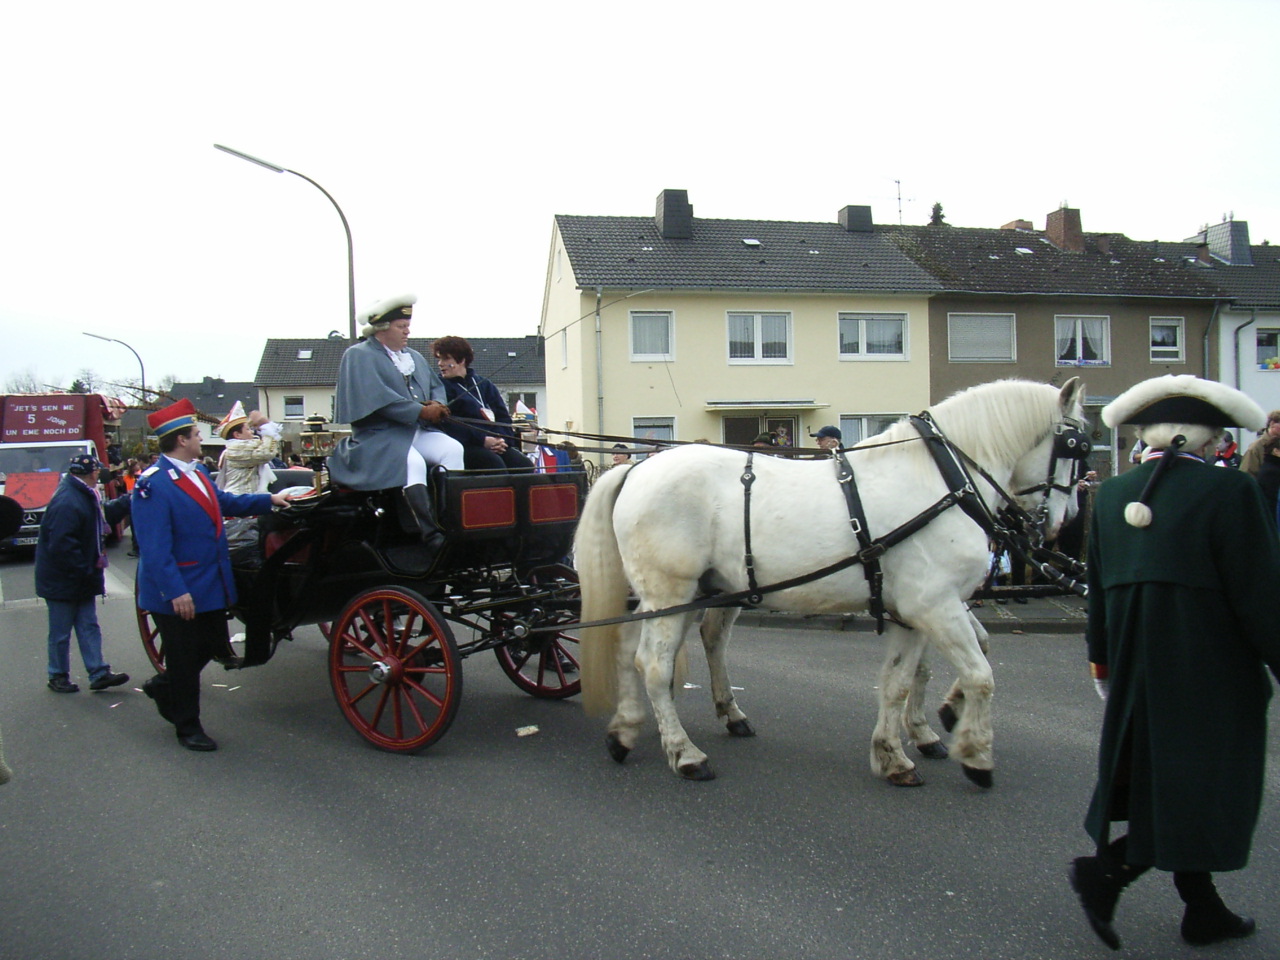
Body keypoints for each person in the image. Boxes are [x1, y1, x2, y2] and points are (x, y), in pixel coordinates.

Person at [1069, 374, 1280, 950]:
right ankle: (1112, 871)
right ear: (1206, 438)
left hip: (1136, 666)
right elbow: (1261, 593)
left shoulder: (1113, 493)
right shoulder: (1231, 491)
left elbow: (1098, 592)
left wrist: (1102, 664)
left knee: (1165, 782)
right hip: (1208, 666)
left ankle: (1200, 907)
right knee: (1206, 785)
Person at [133, 399, 291, 752]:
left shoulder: (198, 473)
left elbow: (224, 501)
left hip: (208, 582)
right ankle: (187, 727)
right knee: (184, 661)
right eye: (195, 434)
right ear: (180, 440)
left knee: (209, 646)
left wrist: (269, 500)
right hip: (179, 588)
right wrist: (175, 591)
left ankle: (163, 686)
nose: (200, 439)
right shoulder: (152, 484)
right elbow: (154, 547)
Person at [328, 293, 464, 549]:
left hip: (416, 431)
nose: (407, 331)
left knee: (453, 449)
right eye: (401, 326)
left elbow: (436, 387)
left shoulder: (414, 357)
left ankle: (451, 522)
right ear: (381, 328)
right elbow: (377, 397)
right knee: (412, 462)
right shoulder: (358, 355)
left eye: (407, 326)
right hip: (379, 436)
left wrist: (437, 405)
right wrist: (420, 411)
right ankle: (430, 534)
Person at [35, 454, 132, 694]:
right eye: (97, 471)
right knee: (62, 631)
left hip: (73, 575)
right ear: (92, 473)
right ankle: (58, 674)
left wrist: (129, 499)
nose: (99, 474)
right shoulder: (69, 500)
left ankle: (97, 672)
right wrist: (85, 571)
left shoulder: (79, 494)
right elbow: (62, 545)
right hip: (64, 578)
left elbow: (103, 515)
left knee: (87, 625)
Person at [432, 335, 532, 472]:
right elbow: (448, 424)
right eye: (439, 359)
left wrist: (501, 439)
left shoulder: (484, 384)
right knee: (494, 464)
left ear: (461, 360)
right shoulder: (440, 387)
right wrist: (483, 440)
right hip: (466, 445)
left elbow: (503, 417)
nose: (440, 364)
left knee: (524, 464)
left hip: (494, 442)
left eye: (445, 359)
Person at [215, 401, 281, 496]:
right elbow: (265, 453)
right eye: (248, 429)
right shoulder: (236, 449)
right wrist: (266, 426)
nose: (252, 432)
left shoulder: (240, 447)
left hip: (247, 496)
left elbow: (264, 447)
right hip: (238, 498)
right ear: (237, 435)